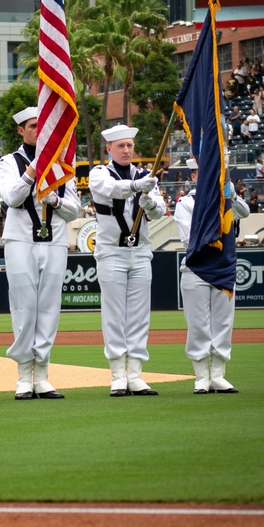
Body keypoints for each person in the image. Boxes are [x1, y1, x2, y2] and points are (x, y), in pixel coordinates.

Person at [0, 105, 81, 400]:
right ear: (21, 130)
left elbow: (75, 211)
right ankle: (23, 375)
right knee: (24, 306)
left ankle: (42, 374)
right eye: (33, 126)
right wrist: (34, 171)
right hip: (20, 239)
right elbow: (12, 197)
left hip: (55, 239)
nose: (38, 130)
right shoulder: (9, 162)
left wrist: (55, 199)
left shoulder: (61, 164)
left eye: (42, 126)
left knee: (49, 307)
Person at [88, 124, 167, 397]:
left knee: (138, 315)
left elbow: (160, 212)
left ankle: (135, 373)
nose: (126, 150)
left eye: (129, 146)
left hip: (141, 252)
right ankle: (117, 374)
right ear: (109, 149)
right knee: (113, 314)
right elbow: (111, 189)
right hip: (111, 252)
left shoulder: (145, 175)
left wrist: (151, 204)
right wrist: (137, 186)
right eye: (120, 146)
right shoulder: (99, 173)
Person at [174, 158, 249, 393]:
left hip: (223, 265)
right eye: (200, 173)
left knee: (223, 323)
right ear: (194, 177)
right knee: (198, 324)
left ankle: (217, 374)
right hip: (197, 267)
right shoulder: (186, 203)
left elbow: (244, 212)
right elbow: (190, 238)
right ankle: (201, 376)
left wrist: (231, 196)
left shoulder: (227, 200)